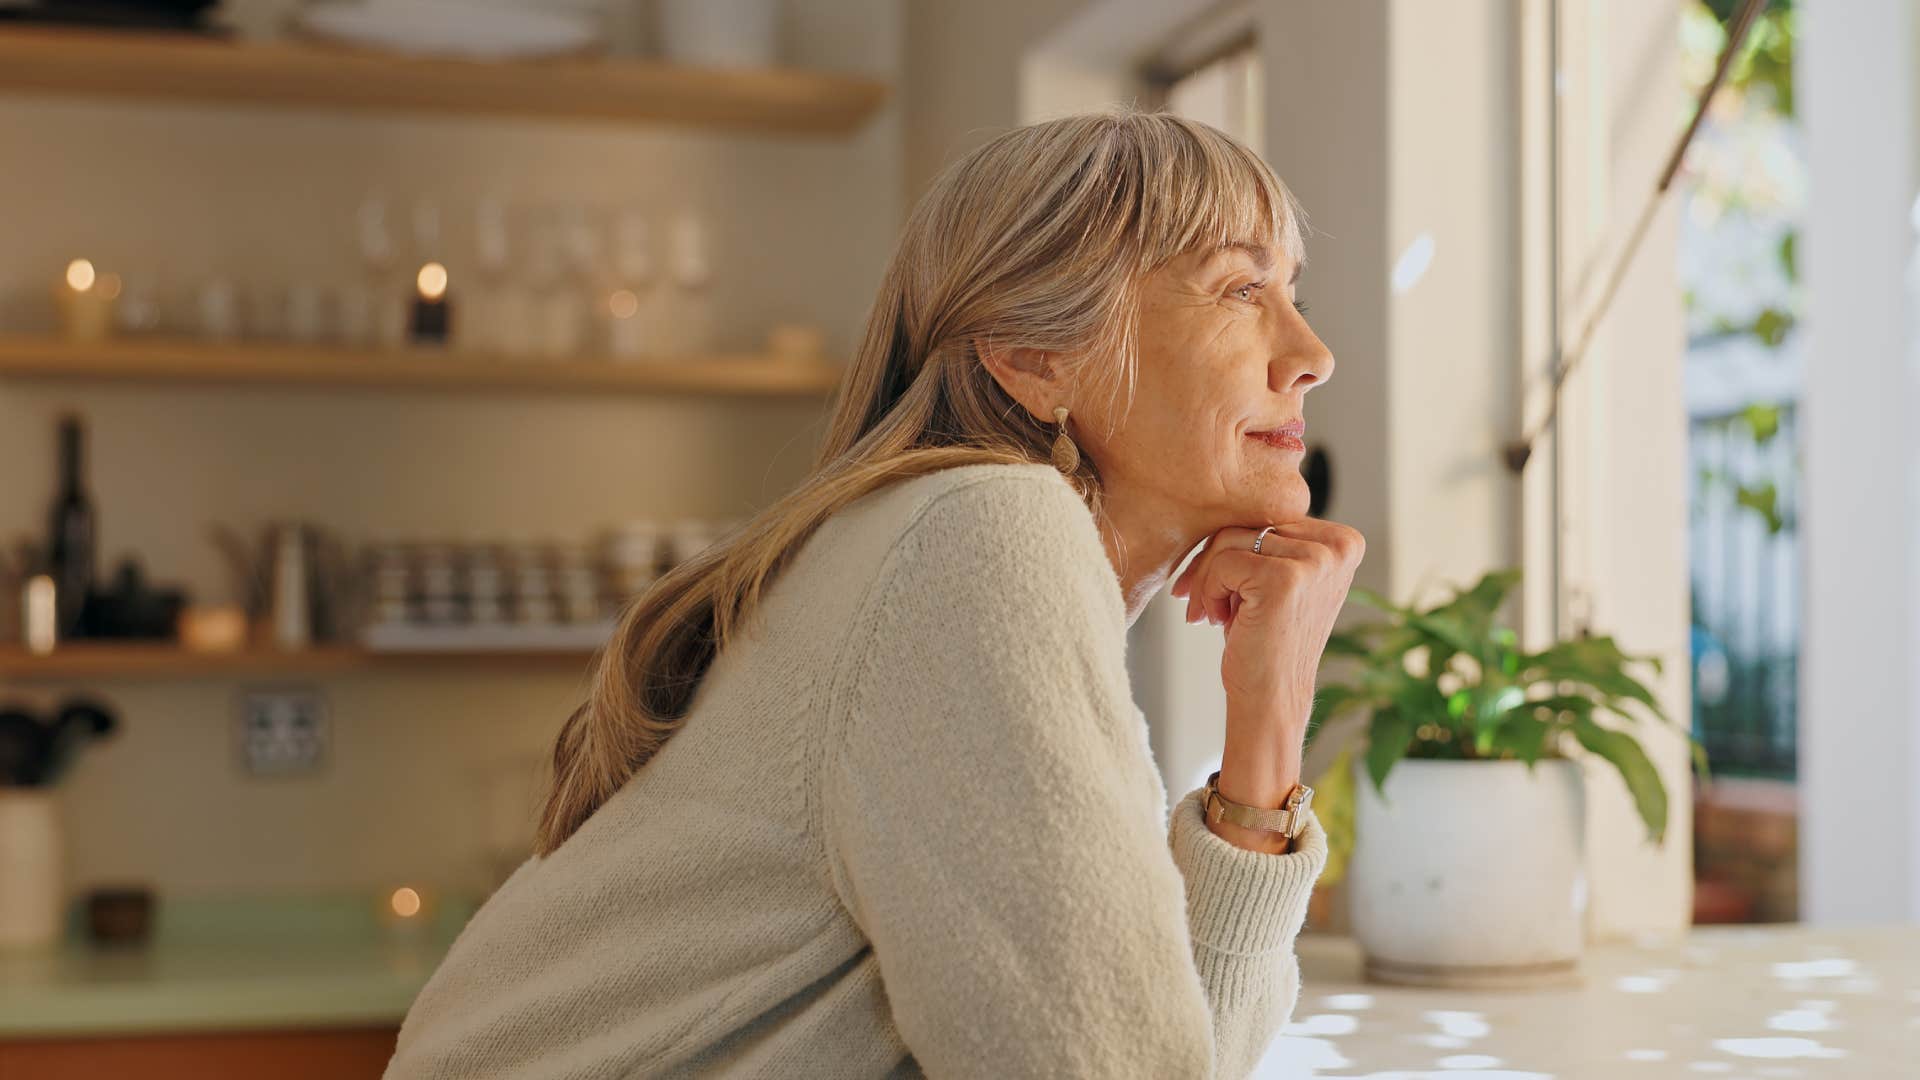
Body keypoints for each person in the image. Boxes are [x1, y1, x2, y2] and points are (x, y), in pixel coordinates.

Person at [386, 109, 1363, 1079]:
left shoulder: (953, 545)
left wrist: (1268, 719)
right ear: (1034, 360)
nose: (1311, 351)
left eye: (1292, 291)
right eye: (1241, 289)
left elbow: (1174, 1051)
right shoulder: (979, 532)